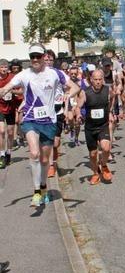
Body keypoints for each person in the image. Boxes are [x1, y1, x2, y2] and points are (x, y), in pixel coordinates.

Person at [0, 44, 80, 207]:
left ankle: (43, 187)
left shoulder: (55, 73)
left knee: (44, 160)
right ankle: (36, 191)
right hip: (30, 119)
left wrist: (67, 95)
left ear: (44, 56)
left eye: (38, 56)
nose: (35, 59)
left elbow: (75, 87)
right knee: (34, 153)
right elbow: (6, 88)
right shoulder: (24, 74)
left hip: (49, 122)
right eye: (32, 57)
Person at [74, 69, 115, 185]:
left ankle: (104, 165)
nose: (98, 82)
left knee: (106, 148)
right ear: (91, 80)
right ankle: (95, 173)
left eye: (100, 79)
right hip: (90, 127)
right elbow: (78, 106)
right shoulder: (85, 92)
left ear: (103, 79)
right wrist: (78, 114)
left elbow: (113, 97)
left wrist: (110, 111)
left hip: (103, 125)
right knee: (93, 154)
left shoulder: (108, 90)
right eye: (95, 80)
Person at [42, 50, 70, 178]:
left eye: (50, 60)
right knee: (48, 140)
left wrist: (66, 101)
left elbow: (70, 88)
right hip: (44, 111)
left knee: (56, 142)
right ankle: (51, 165)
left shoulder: (59, 73)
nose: (48, 62)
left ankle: (53, 161)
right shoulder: (38, 74)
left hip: (58, 110)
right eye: (46, 60)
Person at [0, 59, 19, 168]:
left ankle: (8, 153)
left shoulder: (12, 77)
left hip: (11, 107)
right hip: (0, 107)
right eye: (1, 67)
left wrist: (13, 92)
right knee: (1, 130)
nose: (3, 69)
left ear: (8, 68)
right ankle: (1, 155)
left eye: (5, 67)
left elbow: (20, 90)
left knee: (11, 132)